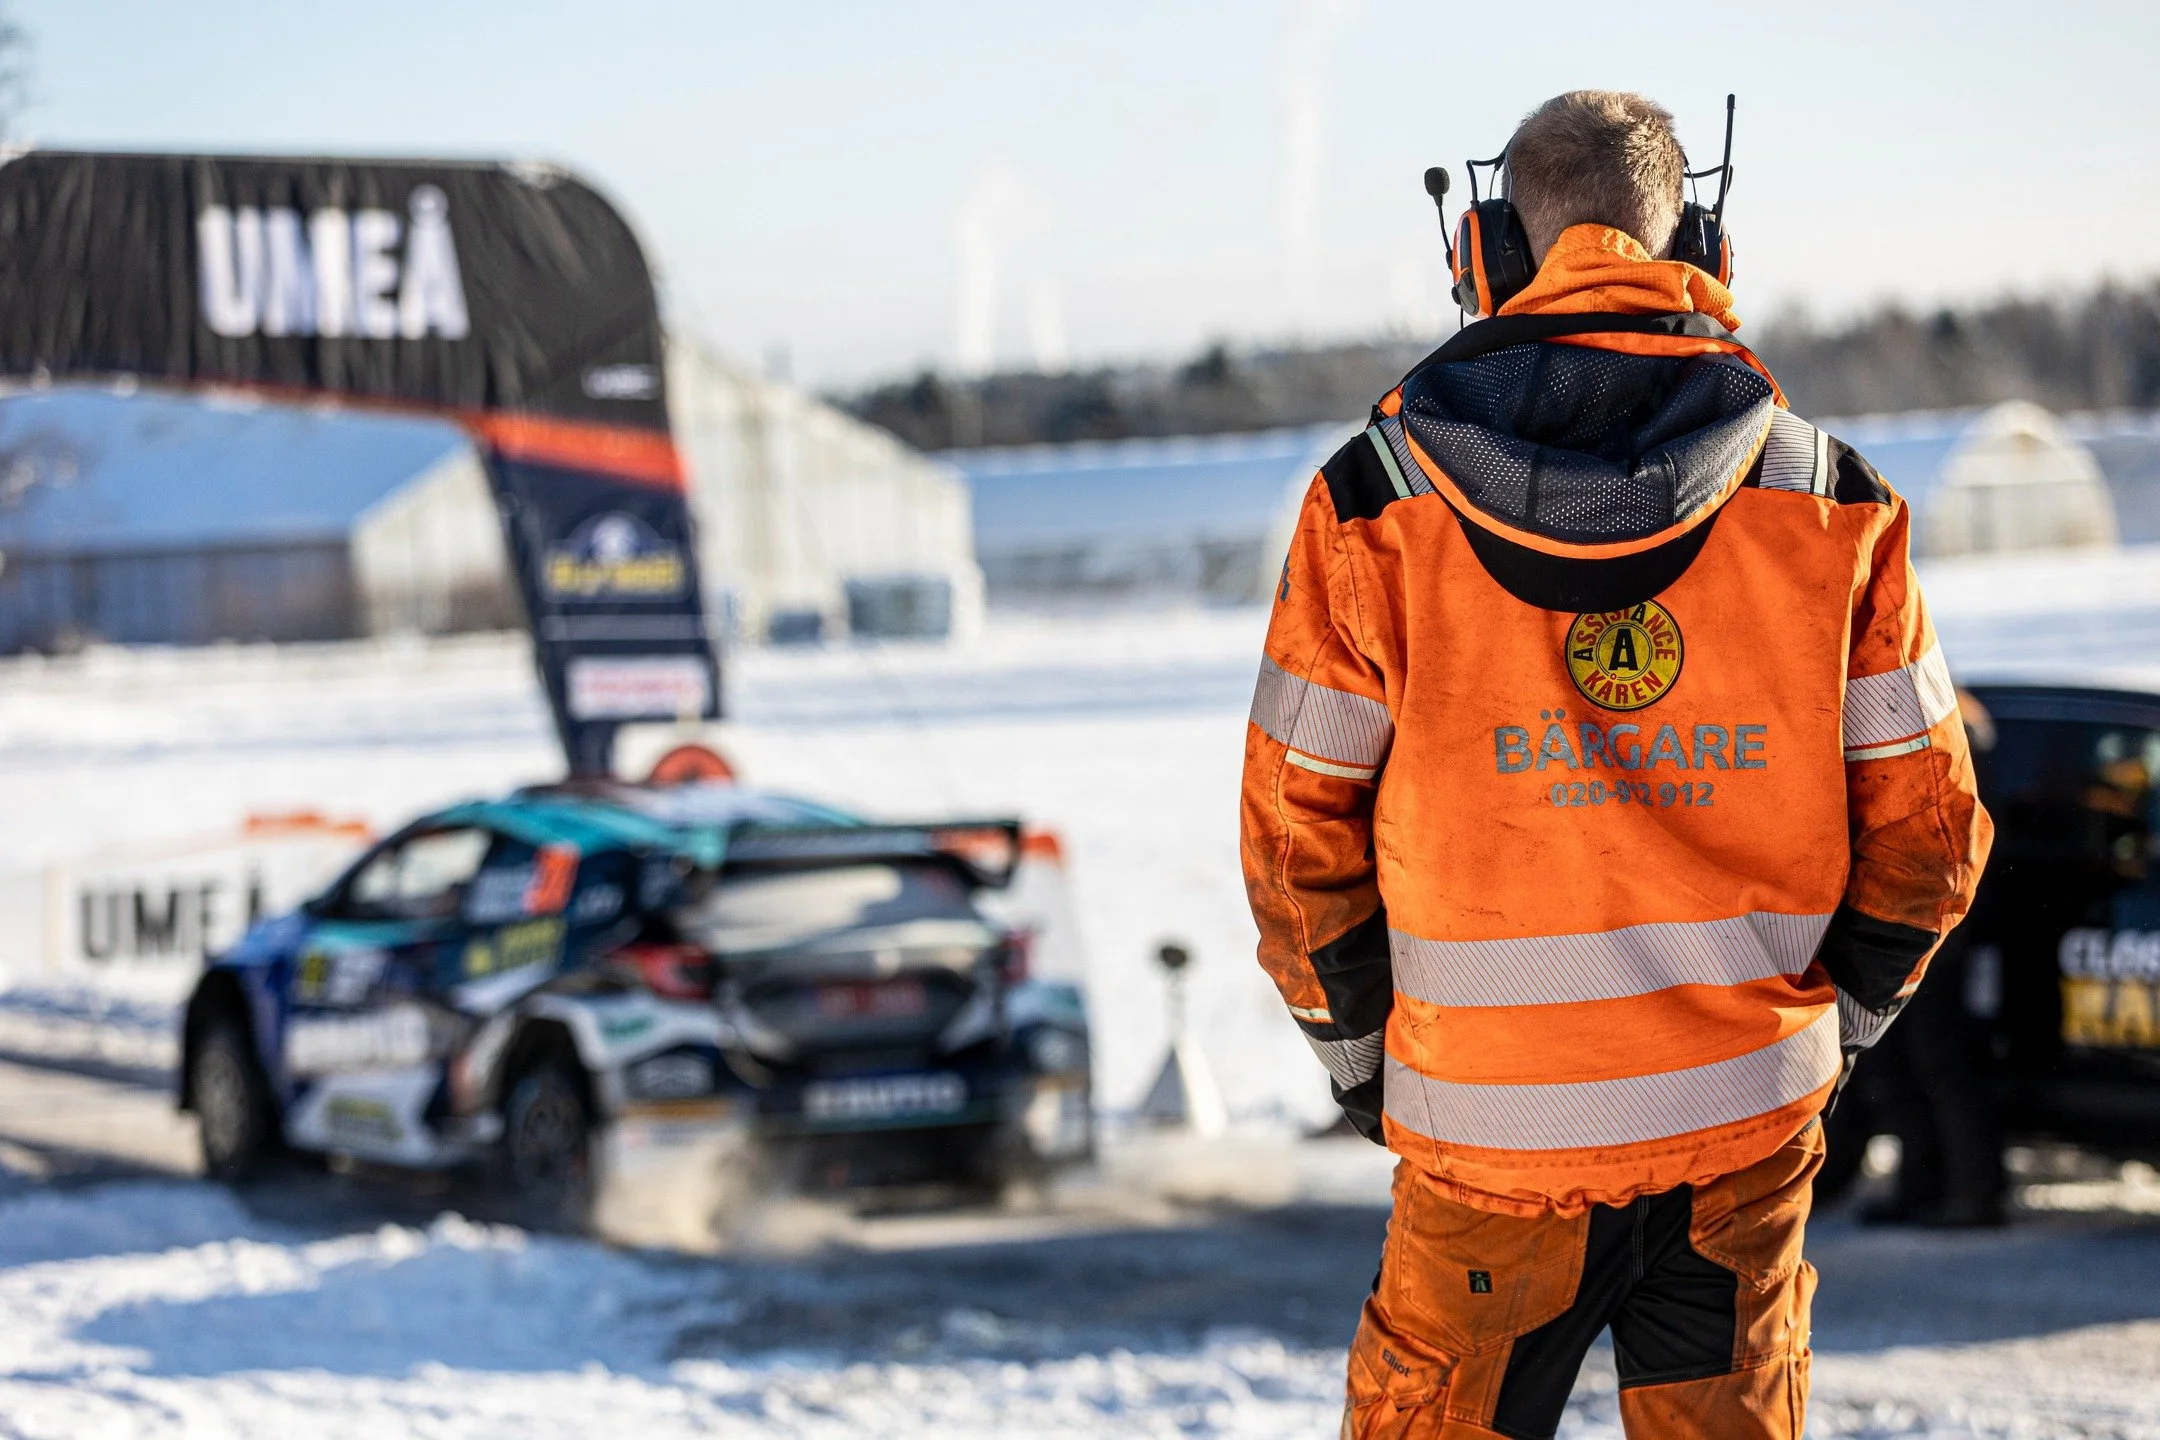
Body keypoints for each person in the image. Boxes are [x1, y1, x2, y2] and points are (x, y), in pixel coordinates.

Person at [1238, 90, 1992, 1438]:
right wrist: (1830, 1030)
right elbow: (1932, 832)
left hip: (1485, 1152)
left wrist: (1363, 1061)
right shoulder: (1836, 503)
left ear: (1489, 253)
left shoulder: (1372, 508)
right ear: (1696, 240)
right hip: (1743, 1142)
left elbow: (1297, 840)